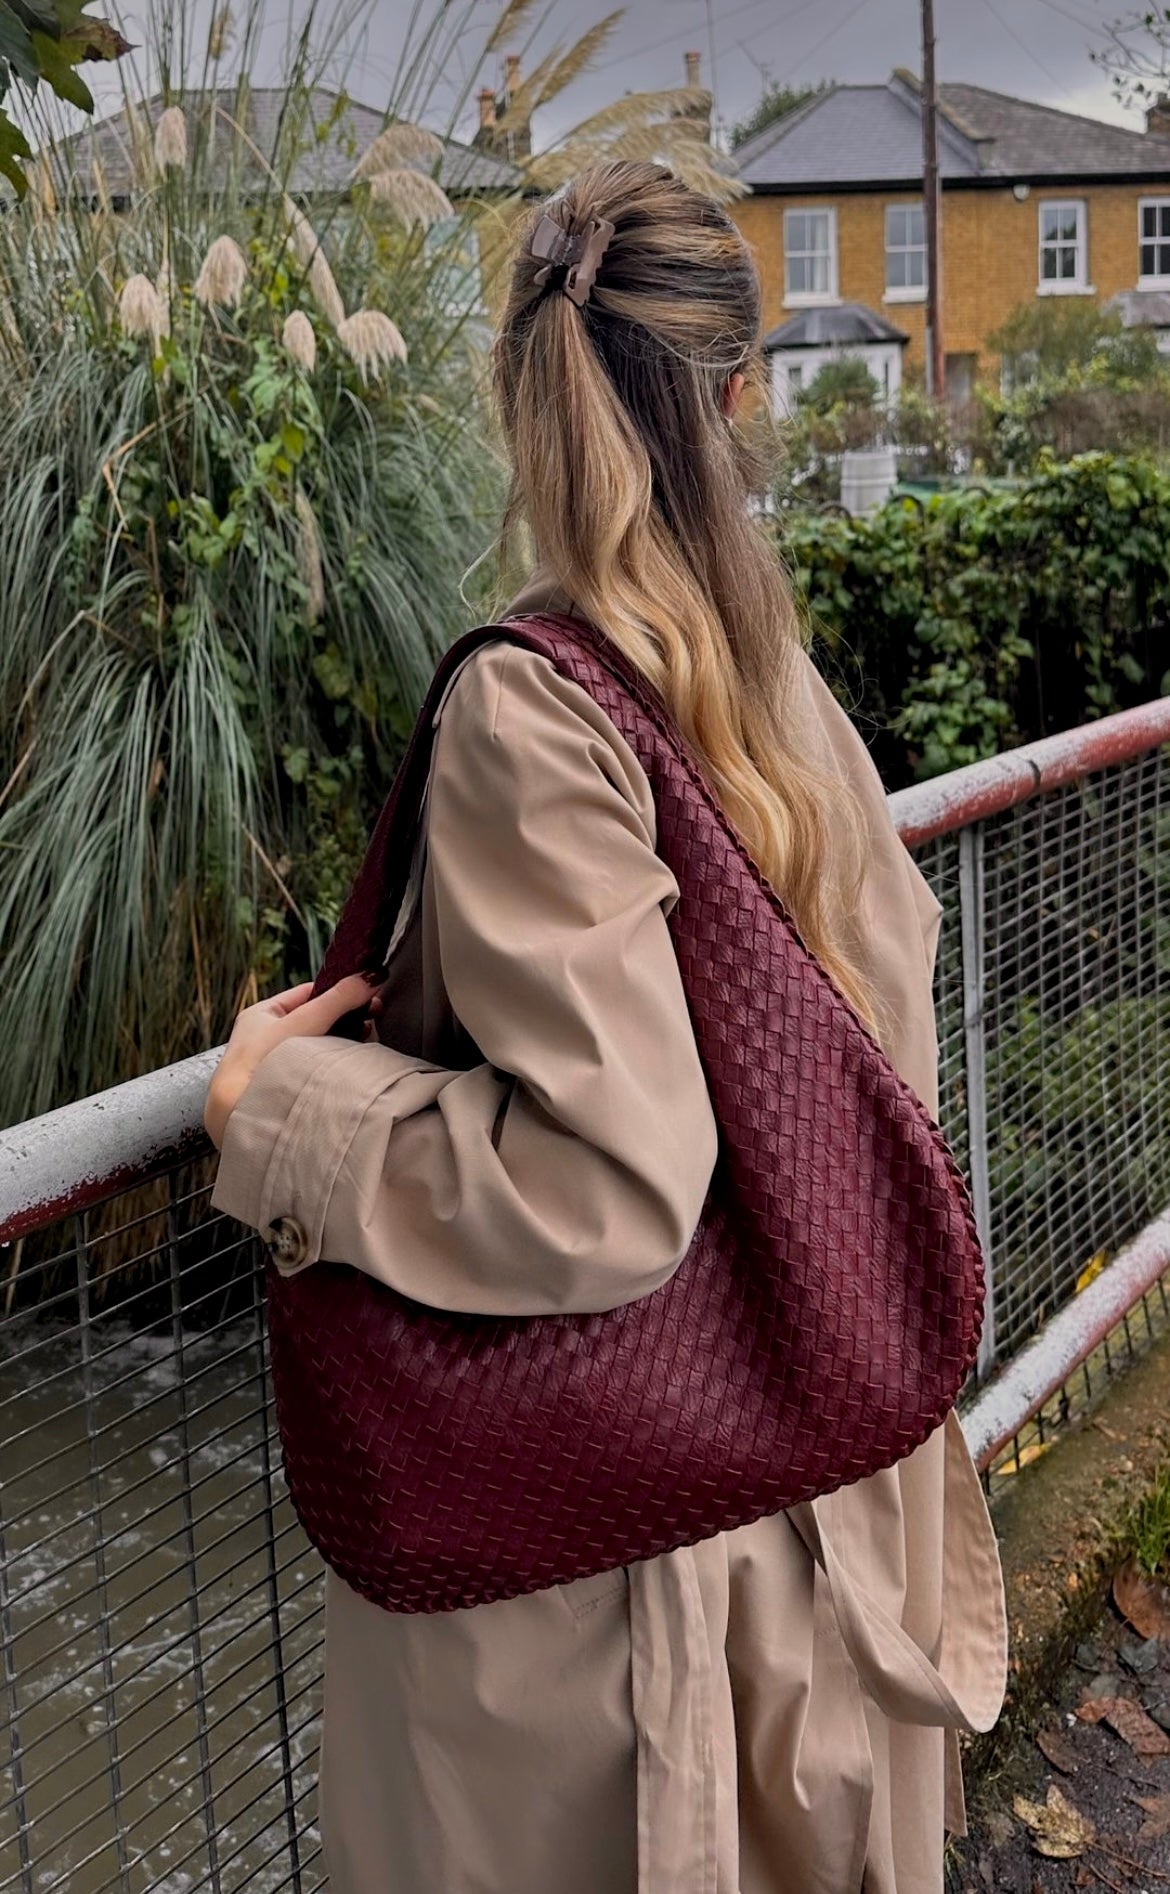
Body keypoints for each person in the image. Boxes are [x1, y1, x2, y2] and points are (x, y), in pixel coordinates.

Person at [205, 159, 1008, 1894]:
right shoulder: (776, 685)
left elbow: (606, 1188)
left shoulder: (533, 704)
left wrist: (282, 1114)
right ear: (737, 396)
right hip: (812, 1498)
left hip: (617, 1585)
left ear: (518, 396)